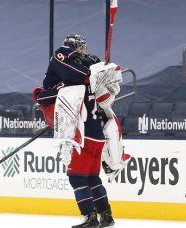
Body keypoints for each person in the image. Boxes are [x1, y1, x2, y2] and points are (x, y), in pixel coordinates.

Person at [33, 33, 130, 228]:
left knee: (77, 177)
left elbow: (45, 96)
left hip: (82, 136)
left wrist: (44, 96)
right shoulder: (92, 76)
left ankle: (90, 217)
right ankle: (106, 215)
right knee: (92, 177)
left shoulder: (71, 75)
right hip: (98, 135)